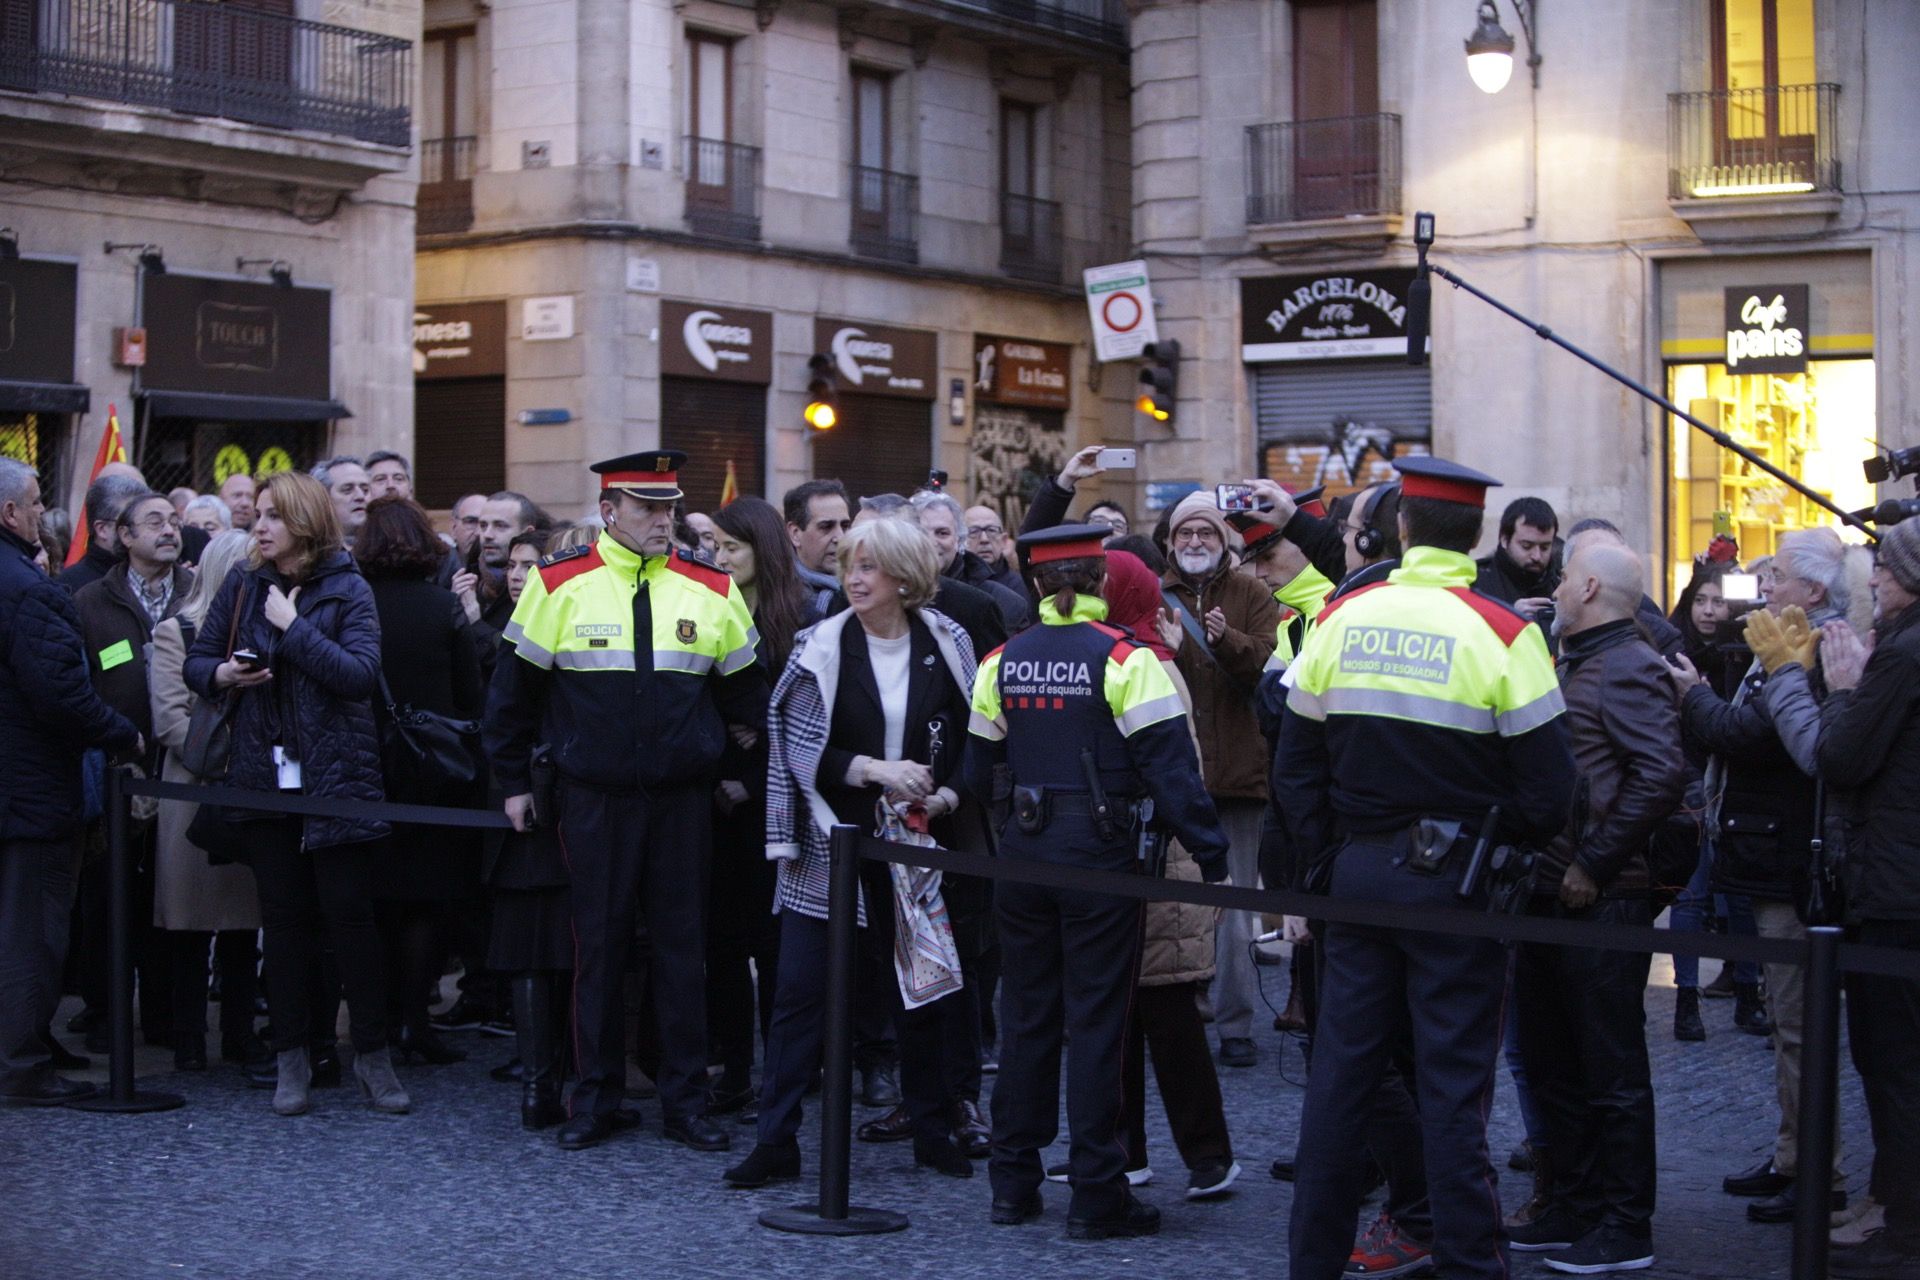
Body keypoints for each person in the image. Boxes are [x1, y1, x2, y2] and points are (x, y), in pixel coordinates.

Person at [1276, 456, 1576, 1280]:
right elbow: (1553, 792)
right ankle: (1471, 1267)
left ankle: (1313, 1262)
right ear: (1477, 535)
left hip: (1358, 878)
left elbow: (1295, 765)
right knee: (1453, 1093)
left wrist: (1328, 855)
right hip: (1457, 888)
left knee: (1340, 1086)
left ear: (1402, 528)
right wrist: (1490, 841)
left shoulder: (1343, 618)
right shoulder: (1507, 632)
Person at [485, 450, 767, 1153]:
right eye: (648, 509)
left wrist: (731, 769)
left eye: (670, 508)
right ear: (609, 511)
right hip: (594, 799)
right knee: (599, 953)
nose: (663, 521)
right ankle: (596, 1098)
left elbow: (749, 697)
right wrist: (514, 784)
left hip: (681, 802)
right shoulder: (558, 583)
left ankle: (685, 1103)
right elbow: (511, 698)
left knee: (682, 953)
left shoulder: (709, 585)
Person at [961, 523, 1228, 1238]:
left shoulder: (1002, 660)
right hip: (1102, 863)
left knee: (1026, 1021)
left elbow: (973, 773)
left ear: (1039, 586)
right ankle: (1097, 1195)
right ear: (1099, 583)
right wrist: (1213, 856)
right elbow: (1174, 774)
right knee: (1099, 1026)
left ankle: (1012, 1185)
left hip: (1021, 857)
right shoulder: (1124, 659)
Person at [723, 517, 978, 1189]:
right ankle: (776, 1141)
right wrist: (874, 769)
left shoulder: (948, 642)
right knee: (799, 997)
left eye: (869, 567)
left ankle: (931, 1128)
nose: (854, 579)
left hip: (918, 847)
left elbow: (979, 738)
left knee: (918, 996)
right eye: (848, 567)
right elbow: (798, 749)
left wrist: (946, 797)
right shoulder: (821, 647)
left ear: (904, 575)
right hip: (826, 842)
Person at [184, 470, 408, 1119]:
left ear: (304, 522)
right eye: (256, 514)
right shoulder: (242, 582)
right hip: (263, 775)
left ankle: (372, 1056)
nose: (259, 526)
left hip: (338, 778)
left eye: (272, 516)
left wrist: (295, 629)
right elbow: (196, 663)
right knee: (281, 923)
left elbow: (360, 676)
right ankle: (291, 1060)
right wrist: (224, 672)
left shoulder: (349, 588)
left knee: (350, 920)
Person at [1508, 540, 1686, 1272]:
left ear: (1585, 586)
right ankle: (1574, 1205)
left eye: (1562, 574)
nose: (1553, 584)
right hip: (1553, 892)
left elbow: (1661, 774)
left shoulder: (1629, 665)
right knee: (1556, 1063)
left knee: (1611, 1071)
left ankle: (1625, 1225)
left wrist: (1595, 861)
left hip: (1600, 898)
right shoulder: (1581, 658)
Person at [1670, 527, 1856, 1223]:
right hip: (1769, 849)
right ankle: (1792, 1156)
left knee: (1801, 1027)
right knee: (1787, 1024)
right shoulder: (1789, 634)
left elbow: (1753, 732)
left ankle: (1819, 1174)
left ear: (1812, 589)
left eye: (1775, 574)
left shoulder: (1810, 649)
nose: (1763, 583)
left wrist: (1693, 697)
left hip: (1789, 858)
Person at [0, 458, 140, 1106]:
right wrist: (122, 733)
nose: (39, 512)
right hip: (29, 793)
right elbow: (61, 695)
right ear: (10, 514)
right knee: (31, 935)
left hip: (20, 787)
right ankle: (21, 1066)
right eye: (33, 502)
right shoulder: (29, 589)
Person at [1815, 519, 1920, 1280]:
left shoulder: (1903, 656)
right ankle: (1888, 1200)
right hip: (1900, 878)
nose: (1873, 580)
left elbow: (1845, 758)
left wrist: (1846, 690)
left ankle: (1903, 1224)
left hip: (1895, 888)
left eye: (1883, 569)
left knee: (1893, 1063)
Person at [355, 497, 486, 1067]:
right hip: (433, 772)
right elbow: (470, 697)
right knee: (426, 905)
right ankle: (415, 1020)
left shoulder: (353, 606)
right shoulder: (442, 608)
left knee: (378, 901)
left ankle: (379, 1022)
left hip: (366, 768)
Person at [704, 498, 819, 1116]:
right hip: (717, 801)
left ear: (763, 550)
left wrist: (757, 755)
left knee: (777, 950)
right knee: (722, 946)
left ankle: (783, 1076)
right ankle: (735, 1071)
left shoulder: (803, 613)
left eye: (730, 548)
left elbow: (806, 716)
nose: (718, 559)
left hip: (778, 805)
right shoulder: (706, 604)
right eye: (714, 547)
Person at [1160, 490, 1281, 1068]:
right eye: (1185, 535)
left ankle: (1235, 1025)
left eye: (1205, 534)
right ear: (1169, 543)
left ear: (1224, 542)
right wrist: (1175, 648)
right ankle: (1179, 1017)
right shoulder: (1155, 596)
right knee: (1175, 908)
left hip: (1237, 774)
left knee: (1235, 913)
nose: (1195, 543)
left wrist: (1223, 639)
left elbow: (1266, 663)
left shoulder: (1253, 593)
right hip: (1176, 777)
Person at [74, 490, 197, 1051]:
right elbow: (80, 684)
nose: (169, 530)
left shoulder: (199, 594)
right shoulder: (90, 602)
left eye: (174, 521)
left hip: (178, 768)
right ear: (122, 536)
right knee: (110, 899)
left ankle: (168, 1015)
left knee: (168, 897)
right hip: (117, 770)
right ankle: (107, 1014)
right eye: (154, 522)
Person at [148, 530, 266, 1075]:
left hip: (247, 790)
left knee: (245, 926)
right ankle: (189, 1038)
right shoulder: (176, 632)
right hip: (193, 790)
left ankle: (240, 1035)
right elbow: (170, 719)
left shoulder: (267, 636)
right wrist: (226, 752)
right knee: (190, 928)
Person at [912, 489, 1030, 630]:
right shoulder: (889, 593)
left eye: (942, 533)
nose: (931, 542)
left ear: (959, 539)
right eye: (920, 533)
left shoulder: (1003, 602)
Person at [57, 469, 150, 593]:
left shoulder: (157, 576)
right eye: (131, 521)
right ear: (102, 529)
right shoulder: (69, 586)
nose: (145, 530)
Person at [1475, 496, 1561, 617]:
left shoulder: (1561, 583)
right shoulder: (1476, 582)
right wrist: (1509, 615)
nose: (1536, 556)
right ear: (1504, 539)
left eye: (1545, 547)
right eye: (1526, 546)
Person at [784, 479, 853, 617]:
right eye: (826, 527)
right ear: (795, 534)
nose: (839, 537)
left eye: (845, 526)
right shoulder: (782, 599)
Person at [312, 456, 372, 548]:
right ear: (322, 499)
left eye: (365, 490)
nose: (360, 496)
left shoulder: (389, 548)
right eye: (347, 489)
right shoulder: (306, 553)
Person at [965, 504, 1025, 596]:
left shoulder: (1021, 588)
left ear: (1004, 540)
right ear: (959, 540)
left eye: (991, 530)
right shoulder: (951, 582)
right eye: (974, 531)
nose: (984, 539)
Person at [480, 491, 545, 570]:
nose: (487, 534)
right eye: (483, 525)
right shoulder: (468, 573)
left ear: (528, 533)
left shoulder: (546, 578)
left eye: (500, 526)